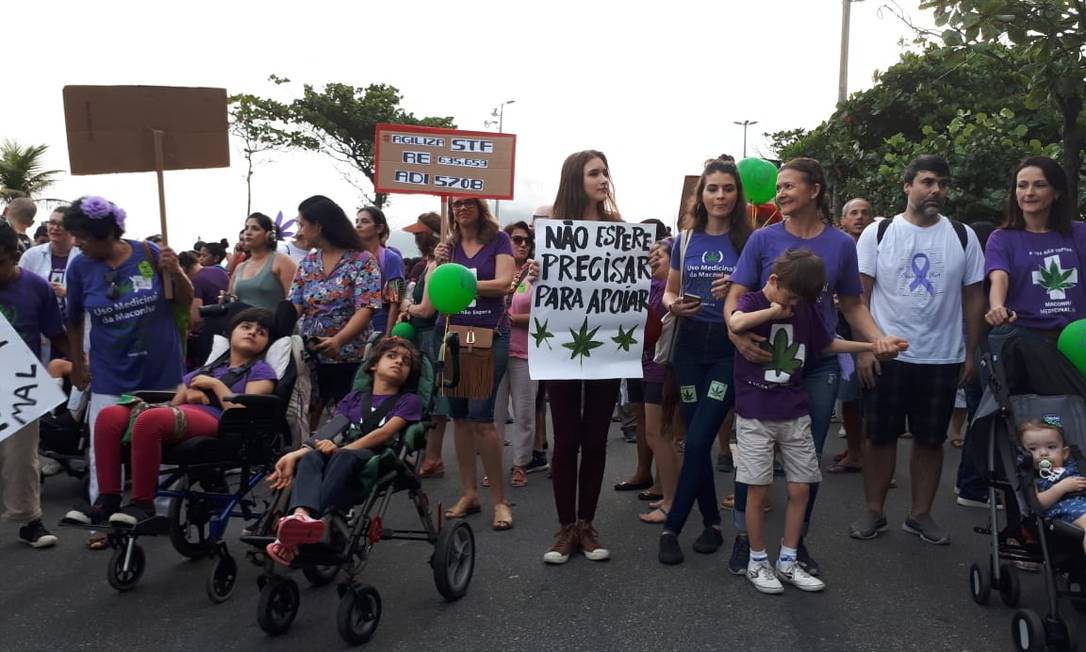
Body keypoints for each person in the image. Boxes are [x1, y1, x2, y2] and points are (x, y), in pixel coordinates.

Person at [725, 158, 902, 575]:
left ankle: (794, 547)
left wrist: (874, 341)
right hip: (763, 362)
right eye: (779, 187)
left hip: (819, 363)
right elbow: (736, 294)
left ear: (815, 189)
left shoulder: (842, 244)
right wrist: (736, 335)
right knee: (753, 458)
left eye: (789, 186)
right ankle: (742, 543)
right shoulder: (762, 239)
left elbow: (853, 304)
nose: (781, 193)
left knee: (806, 461)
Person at [848, 155, 985, 545]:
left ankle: (920, 515)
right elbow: (859, 296)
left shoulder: (962, 235)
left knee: (930, 438)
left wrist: (971, 352)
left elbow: (974, 296)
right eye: (927, 182)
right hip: (887, 353)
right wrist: (864, 348)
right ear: (907, 186)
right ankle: (874, 512)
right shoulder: (879, 232)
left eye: (942, 183)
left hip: (942, 356)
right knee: (879, 436)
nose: (936, 190)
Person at [65, 308, 278, 525]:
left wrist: (215, 385)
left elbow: (243, 412)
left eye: (261, 332)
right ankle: (107, 500)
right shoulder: (210, 367)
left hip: (221, 421)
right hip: (182, 413)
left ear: (267, 342)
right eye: (246, 327)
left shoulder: (262, 371)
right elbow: (176, 400)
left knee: (150, 420)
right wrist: (191, 391)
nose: (252, 332)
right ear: (231, 333)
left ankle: (142, 504)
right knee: (109, 415)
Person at [63, 196, 191, 507]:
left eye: (82, 237)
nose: (77, 244)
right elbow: (74, 316)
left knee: (164, 444)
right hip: (110, 372)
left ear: (106, 234)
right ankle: (104, 511)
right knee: (103, 444)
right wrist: (78, 362)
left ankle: (162, 510)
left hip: (160, 370)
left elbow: (186, 300)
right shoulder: (79, 267)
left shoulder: (149, 252)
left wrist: (176, 272)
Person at [657, 159, 751, 564]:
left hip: (729, 348)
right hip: (690, 347)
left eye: (728, 189)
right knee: (695, 437)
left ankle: (672, 526)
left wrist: (738, 289)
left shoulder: (750, 241)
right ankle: (712, 522)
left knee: (698, 439)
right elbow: (668, 291)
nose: (720, 196)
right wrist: (674, 306)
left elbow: (764, 295)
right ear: (702, 194)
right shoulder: (687, 239)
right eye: (713, 189)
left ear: (737, 194)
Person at [532, 150, 625, 563]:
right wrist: (534, 274)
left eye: (605, 172)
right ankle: (565, 527)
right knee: (567, 438)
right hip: (560, 346)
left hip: (607, 346)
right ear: (575, 179)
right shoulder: (551, 231)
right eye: (594, 173)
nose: (603, 179)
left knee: (596, 439)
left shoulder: (620, 230)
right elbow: (537, 290)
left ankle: (587, 523)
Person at [265, 337, 422, 564]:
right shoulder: (354, 398)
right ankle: (301, 516)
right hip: (345, 451)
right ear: (373, 365)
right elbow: (332, 428)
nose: (399, 362)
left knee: (341, 455)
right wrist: (294, 454)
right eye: (392, 356)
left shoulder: (409, 400)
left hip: (377, 454)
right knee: (311, 458)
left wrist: (340, 448)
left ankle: (311, 522)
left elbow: (384, 434)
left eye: (405, 362)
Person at [434, 196, 514, 531]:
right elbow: (434, 294)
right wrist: (435, 265)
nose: (461, 209)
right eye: (456, 205)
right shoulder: (447, 247)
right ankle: (469, 493)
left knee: (482, 419)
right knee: (460, 418)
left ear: (481, 208)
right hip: (451, 334)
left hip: (485, 335)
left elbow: (503, 283)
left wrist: (461, 284)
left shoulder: (499, 240)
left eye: (469, 203)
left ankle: (499, 501)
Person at [291, 196, 382, 431]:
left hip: (348, 356)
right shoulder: (307, 263)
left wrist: (338, 341)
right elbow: (296, 304)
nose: (299, 231)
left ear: (319, 226)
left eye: (302, 224)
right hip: (311, 355)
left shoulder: (363, 261)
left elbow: (367, 307)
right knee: (307, 415)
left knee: (344, 421)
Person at [0, 222, 64, 547]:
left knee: (21, 458)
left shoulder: (37, 287)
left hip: (19, 386)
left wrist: (76, 368)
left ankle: (30, 521)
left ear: (14, 255)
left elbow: (57, 333)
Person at [984, 156, 1086, 354]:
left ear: (1056, 192)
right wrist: (997, 306)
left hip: (1077, 342)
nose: (1029, 193)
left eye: (1039, 185)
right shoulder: (1002, 238)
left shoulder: (1080, 233)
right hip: (1027, 344)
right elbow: (999, 277)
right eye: (1022, 186)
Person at [400, 212, 448, 478]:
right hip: (421, 336)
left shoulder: (435, 266)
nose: (417, 238)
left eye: (420, 233)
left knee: (434, 396)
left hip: (430, 336)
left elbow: (428, 310)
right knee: (426, 396)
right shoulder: (427, 263)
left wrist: (408, 307)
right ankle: (429, 455)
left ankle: (433, 457)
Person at [828, 197, 872, 474]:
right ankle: (855, 450)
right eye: (853, 213)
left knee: (865, 396)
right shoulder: (837, 248)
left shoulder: (880, 245)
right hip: (839, 328)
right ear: (843, 220)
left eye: (865, 213)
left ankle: (866, 456)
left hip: (870, 327)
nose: (860, 217)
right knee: (849, 395)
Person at [494, 221, 536, 488]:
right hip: (496, 350)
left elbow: (546, 316)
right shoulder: (494, 269)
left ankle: (520, 464)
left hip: (526, 353)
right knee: (495, 414)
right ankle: (494, 464)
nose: (521, 244)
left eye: (526, 241)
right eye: (515, 239)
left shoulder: (537, 273)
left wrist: (508, 317)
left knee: (524, 413)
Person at [1021, 419, 1086, 555]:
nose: (1043, 453)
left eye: (1051, 447)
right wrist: (1060, 488)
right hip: (1065, 509)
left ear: (1065, 453)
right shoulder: (1033, 477)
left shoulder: (1075, 465)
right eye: (1033, 449)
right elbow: (1038, 504)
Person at [18, 206, 79, 342]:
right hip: (39, 328)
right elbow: (18, 288)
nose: (54, 228)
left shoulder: (82, 257)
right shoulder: (31, 256)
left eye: (61, 224)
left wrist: (68, 293)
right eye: (51, 222)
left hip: (75, 329)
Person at [229, 212, 297, 311]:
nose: (248, 232)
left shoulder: (282, 261)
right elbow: (231, 296)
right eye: (246, 228)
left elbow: (294, 302)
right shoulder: (240, 267)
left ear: (270, 235)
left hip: (271, 324)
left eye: (255, 228)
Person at [356, 207, 405, 335]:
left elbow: (396, 301)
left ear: (379, 228)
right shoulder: (351, 257)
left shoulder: (391, 258)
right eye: (357, 221)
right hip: (352, 323)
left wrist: (388, 335)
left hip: (379, 323)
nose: (358, 225)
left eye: (365, 221)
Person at [181, 250, 230, 333]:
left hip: (210, 328)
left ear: (184, 268)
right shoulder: (219, 271)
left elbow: (196, 318)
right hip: (227, 322)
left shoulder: (195, 281)